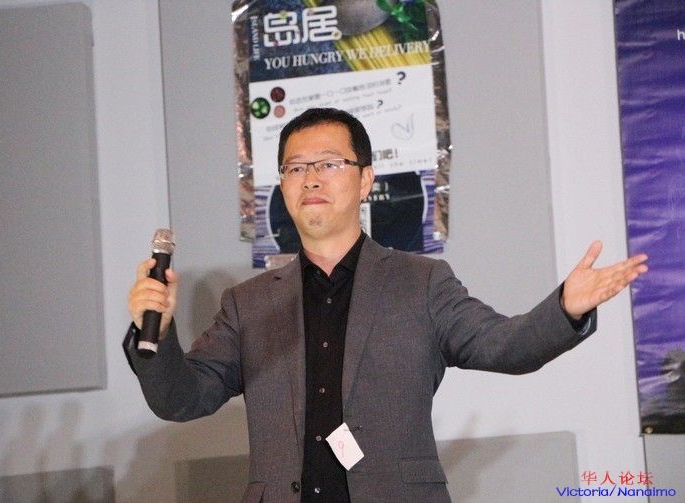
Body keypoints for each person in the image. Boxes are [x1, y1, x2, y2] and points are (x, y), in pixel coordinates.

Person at [124, 108, 648, 503]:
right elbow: (181, 400)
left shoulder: (421, 282)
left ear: (366, 180)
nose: (311, 178)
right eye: (296, 167)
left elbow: (504, 346)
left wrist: (566, 308)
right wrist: (159, 333)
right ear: (282, 186)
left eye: (330, 163)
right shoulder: (248, 303)